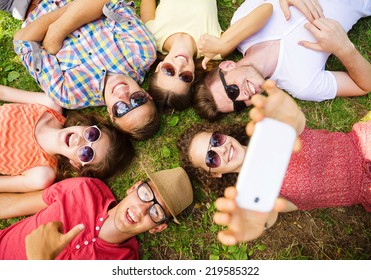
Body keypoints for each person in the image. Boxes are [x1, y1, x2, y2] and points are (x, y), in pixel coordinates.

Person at [178, 80, 371, 243]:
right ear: (215, 173)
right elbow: (272, 212)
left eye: (216, 140)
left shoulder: (266, 130)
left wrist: (293, 114)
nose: (222, 148)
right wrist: (258, 220)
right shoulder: (256, 194)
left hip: (364, 143)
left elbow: (296, 124)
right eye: (212, 157)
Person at [193, 0, 371, 121]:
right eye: (238, 104)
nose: (244, 96)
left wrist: (225, 44)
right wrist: (344, 49)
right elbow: (365, 85)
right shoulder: (302, 84)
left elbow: (265, 10)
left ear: (227, 65)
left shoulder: (240, 26)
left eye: (232, 91)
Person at [12, 0, 159, 140]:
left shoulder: (69, 94)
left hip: (24, 6)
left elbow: (23, 41)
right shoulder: (142, 53)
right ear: (147, 94)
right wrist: (56, 32)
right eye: (138, 100)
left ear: (110, 114)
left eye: (121, 109)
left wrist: (82, 9)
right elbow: (108, 2)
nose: (124, 95)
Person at [0, 167, 193, 260]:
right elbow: (14, 205)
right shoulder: (84, 189)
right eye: (145, 194)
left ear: (158, 227)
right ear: (133, 188)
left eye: (156, 211)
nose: (141, 209)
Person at [140, 0, 273, 110]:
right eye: (185, 77)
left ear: (159, 67)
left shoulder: (151, 36)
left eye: (169, 71)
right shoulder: (213, 50)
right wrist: (224, 44)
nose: (180, 66)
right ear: (193, 78)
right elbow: (265, 10)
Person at [0, 85, 134, 193]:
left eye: (87, 153)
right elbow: (4, 93)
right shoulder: (50, 106)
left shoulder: (41, 175)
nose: (81, 140)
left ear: (75, 163)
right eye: (92, 134)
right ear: (88, 126)